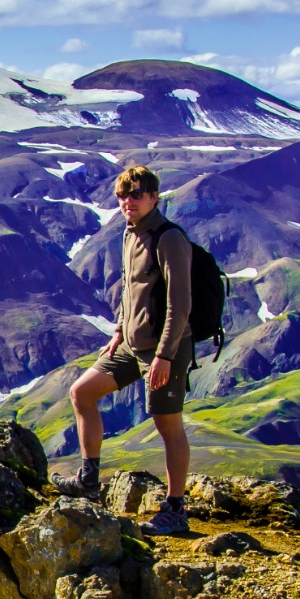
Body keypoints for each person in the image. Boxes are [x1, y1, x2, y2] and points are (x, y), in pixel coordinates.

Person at [50, 165, 193, 535]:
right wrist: (118, 331)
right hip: (132, 344)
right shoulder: (130, 235)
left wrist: (164, 355)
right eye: (123, 195)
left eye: (136, 194)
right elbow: (133, 292)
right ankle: (89, 481)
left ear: (154, 197)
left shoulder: (169, 238)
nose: (128, 201)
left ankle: (176, 510)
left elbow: (181, 304)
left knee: (167, 425)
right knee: (82, 392)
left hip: (165, 349)